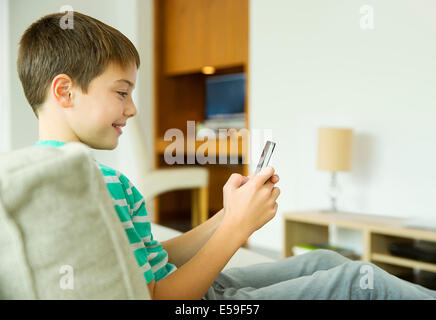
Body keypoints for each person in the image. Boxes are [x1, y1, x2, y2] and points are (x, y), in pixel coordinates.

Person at [19, 11, 436, 300]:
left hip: (197, 287)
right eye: (122, 92)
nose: (131, 109)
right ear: (64, 91)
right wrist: (238, 230)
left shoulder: (72, 176)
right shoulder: (88, 184)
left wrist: (225, 216)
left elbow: (156, 257)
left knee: (326, 258)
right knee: (354, 280)